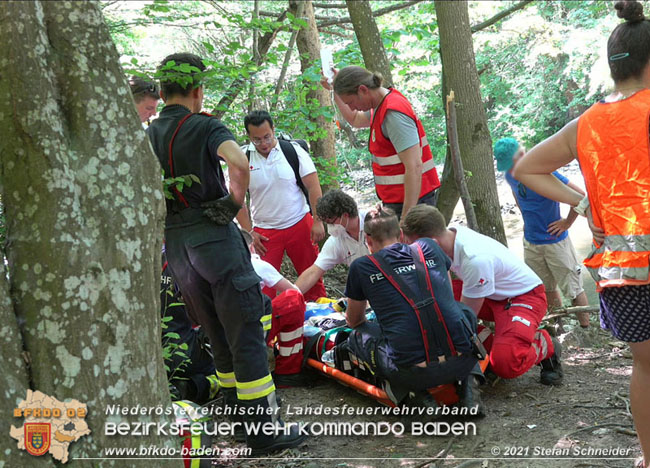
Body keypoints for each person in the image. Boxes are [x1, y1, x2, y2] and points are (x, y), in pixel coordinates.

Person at [146, 52, 305, 455]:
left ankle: (237, 418)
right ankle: (264, 432)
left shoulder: (148, 134)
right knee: (245, 331)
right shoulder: (204, 126)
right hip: (214, 238)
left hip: (178, 246)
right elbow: (238, 162)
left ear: (162, 91)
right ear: (198, 91)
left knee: (215, 333)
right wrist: (234, 203)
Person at [512, 2, 650, 464]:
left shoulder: (587, 123)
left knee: (645, 368)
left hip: (622, 272)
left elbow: (528, 168)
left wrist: (586, 203)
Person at [402, 205, 563, 386]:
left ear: (433, 242)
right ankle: (490, 344)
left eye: (415, 247)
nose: (414, 252)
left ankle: (546, 344)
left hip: (523, 298)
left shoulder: (475, 259)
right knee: (427, 299)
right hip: (491, 293)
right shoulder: (450, 235)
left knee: (505, 364)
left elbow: (463, 319)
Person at [342, 207, 482, 411]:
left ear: (368, 240)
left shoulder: (362, 267)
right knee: (461, 311)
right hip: (463, 360)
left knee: (357, 336)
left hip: (413, 373)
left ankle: (413, 397)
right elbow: (446, 298)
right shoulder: (429, 247)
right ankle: (470, 384)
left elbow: (354, 321)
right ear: (400, 234)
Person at [494, 137, 591, 328]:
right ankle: (557, 326)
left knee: (573, 289)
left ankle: (586, 328)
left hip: (555, 241)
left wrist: (567, 223)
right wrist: (525, 218)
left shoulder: (544, 173)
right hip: (531, 241)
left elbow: (581, 198)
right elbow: (517, 194)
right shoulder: (510, 176)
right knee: (544, 288)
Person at [321, 66, 440, 220]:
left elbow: (414, 166)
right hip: (398, 203)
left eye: (350, 102)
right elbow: (355, 119)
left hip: (415, 204)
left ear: (363, 90)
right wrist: (334, 90)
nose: (351, 107)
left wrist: (406, 219)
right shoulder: (379, 107)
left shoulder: (392, 114)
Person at [236, 110, 326, 301]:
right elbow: (237, 200)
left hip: (300, 224)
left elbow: (313, 187)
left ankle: (320, 321)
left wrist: (317, 221)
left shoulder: (293, 151)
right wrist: (249, 232)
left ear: (273, 130)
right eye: (257, 139)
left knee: (313, 279)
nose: (264, 143)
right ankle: (269, 327)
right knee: (263, 285)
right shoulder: (242, 159)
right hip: (264, 232)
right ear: (249, 137)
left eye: (267, 137)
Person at [240, 230, 309, 387]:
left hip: (221, 333)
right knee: (293, 301)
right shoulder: (258, 265)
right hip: (253, 331)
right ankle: (288, 371)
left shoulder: (215, 266)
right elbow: (293, 291)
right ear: (251, 248)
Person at [295, 190, 370, 296]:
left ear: (345, 215)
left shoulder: (374, 224)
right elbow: (314, 271)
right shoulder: (337, 239)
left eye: (331, 222)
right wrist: (291, 295)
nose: (330, 227)